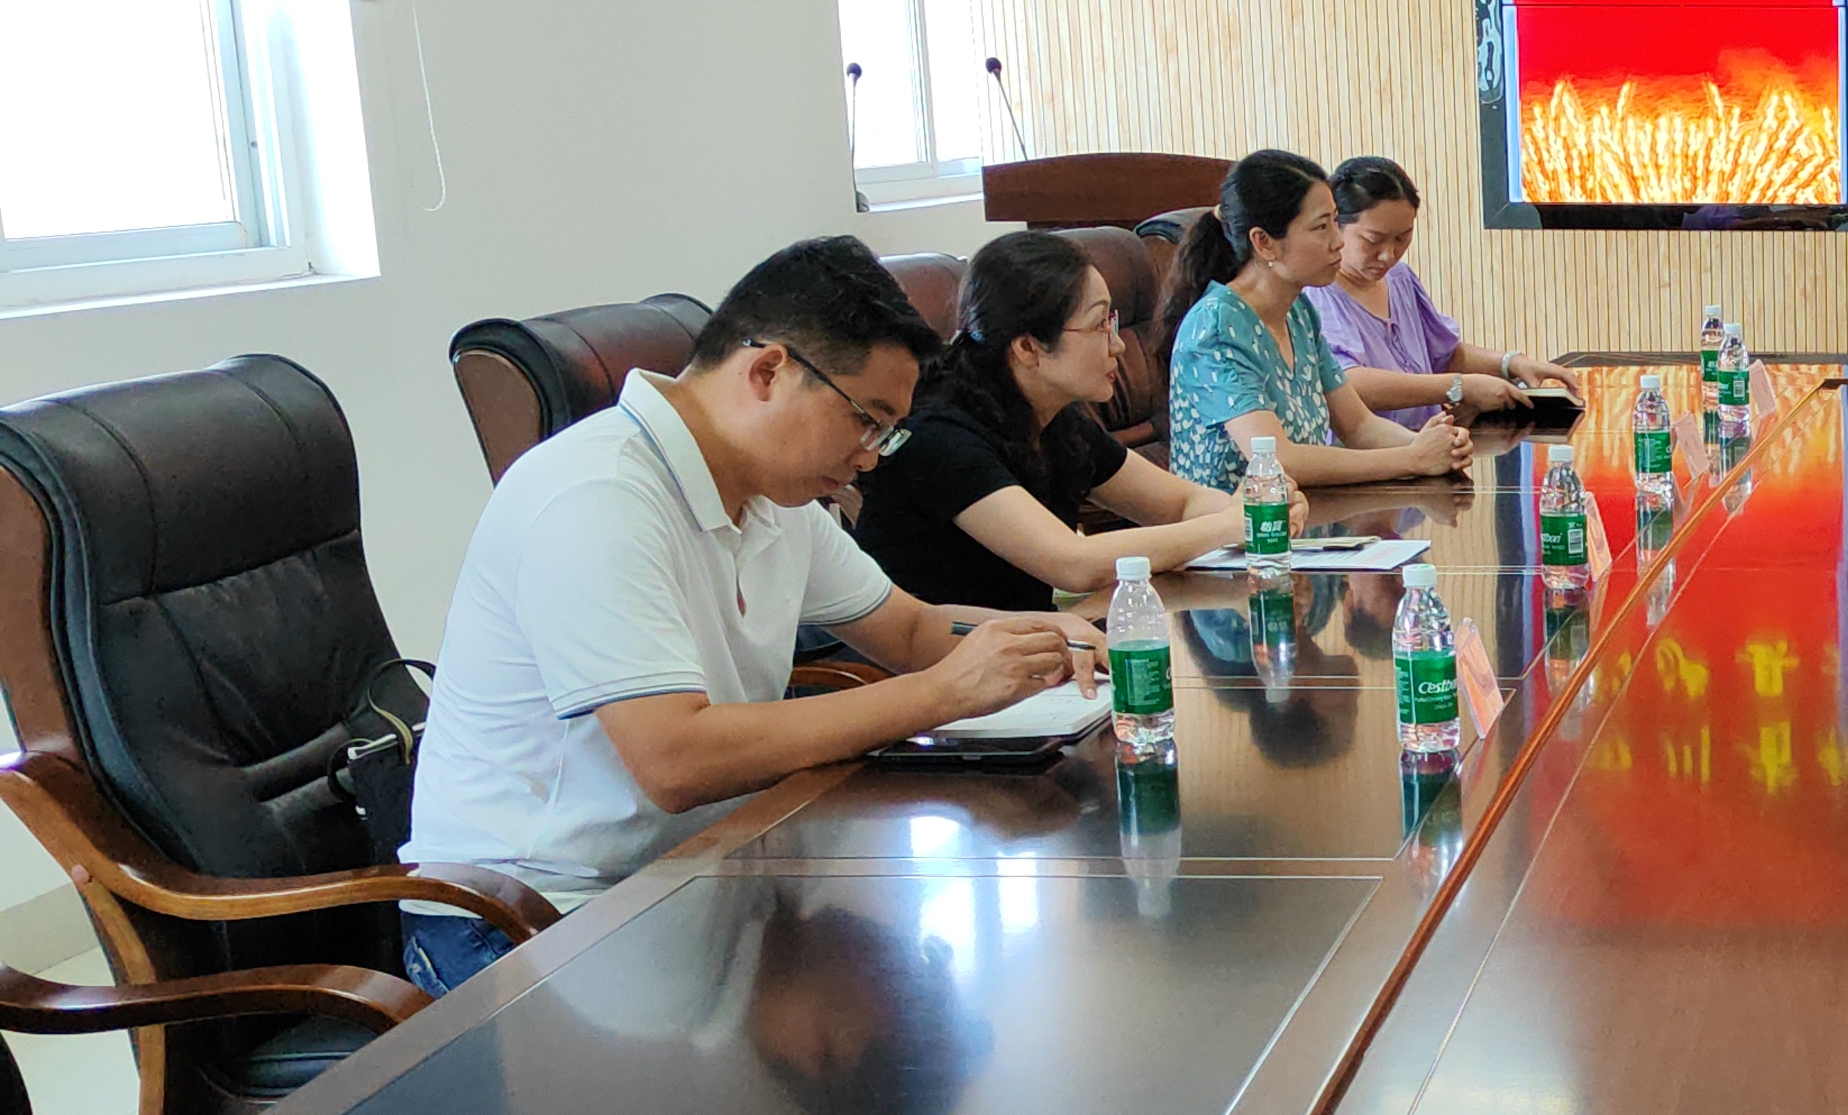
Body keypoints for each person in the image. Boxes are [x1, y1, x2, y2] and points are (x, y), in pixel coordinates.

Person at [401, 238, 1106, 989]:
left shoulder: (774, 495)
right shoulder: (596, 497)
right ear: (769, 372)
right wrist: (942, 693)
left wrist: (1036, 637)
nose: (871, 457)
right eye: (865, 420)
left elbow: (908, 629)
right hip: (529, 915)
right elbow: (675, 760)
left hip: (693, 872)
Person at [854, 230, 1244, 614]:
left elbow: (1181, 503)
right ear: (1027, 347)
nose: (1119, 344)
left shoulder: (1055, 419)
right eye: (1098, 325)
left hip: (1028, 640)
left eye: (1112, 321)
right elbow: (1073, 564)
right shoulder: (939, 437)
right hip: (945, 648)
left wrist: (1252, 513)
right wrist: (1228, 526)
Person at [1163, 149, 1474, 495]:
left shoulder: (1298, 312)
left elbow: (1359, 426)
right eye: (1321, 227)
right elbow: (1278, 459)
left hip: (1306, 514)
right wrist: (1412, 458)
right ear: (1264, 243)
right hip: (1239, 524)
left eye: (1335, 221)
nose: (1338, 241)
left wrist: (1434, 443)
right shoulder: (1217, 328)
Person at [1308, 155, 1585, 429]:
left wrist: (1511, 363)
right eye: (1373, 240)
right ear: (1335, 225)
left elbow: (1444, 355)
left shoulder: (1400, 279)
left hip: (1427, 442)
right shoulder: (1318, 294)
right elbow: (1347, 383)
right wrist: (1459, 387)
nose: (1388, 254)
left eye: (1402, 237)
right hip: (1371, 452)